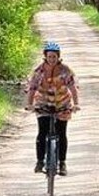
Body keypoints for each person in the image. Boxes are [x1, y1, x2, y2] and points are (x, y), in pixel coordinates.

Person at [25, 42, 81, 176]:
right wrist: (30, 104)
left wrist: (76, 103)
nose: (52, 59)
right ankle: (40, 161)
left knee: (62, 134)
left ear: (58, 57)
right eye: (49, 57)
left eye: (54, 57)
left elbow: (73, 88)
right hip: (43, 104)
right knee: (42, 132)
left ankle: (62, 163)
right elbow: (32, 88)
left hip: (62, 105)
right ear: (45, 57)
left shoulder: (65, 71)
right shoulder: (39, 71)